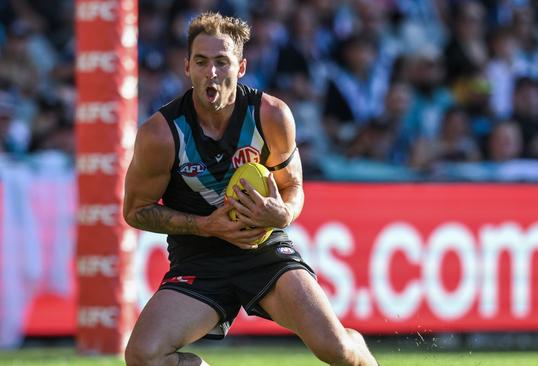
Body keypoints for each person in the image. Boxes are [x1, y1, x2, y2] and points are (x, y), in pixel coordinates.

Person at [122, 11, 378, 366]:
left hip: (264, 250)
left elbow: (294, 186)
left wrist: (284, 212)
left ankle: (356, 347)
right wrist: (204, 226)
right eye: (201, 62)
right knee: (143, 356)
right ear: (187, 67)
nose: (211, 72)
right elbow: (135, 211)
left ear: (240, 68)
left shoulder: (271, 115)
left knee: (335, 349)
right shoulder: (160, 134)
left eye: (221, 62)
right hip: (200, 256)